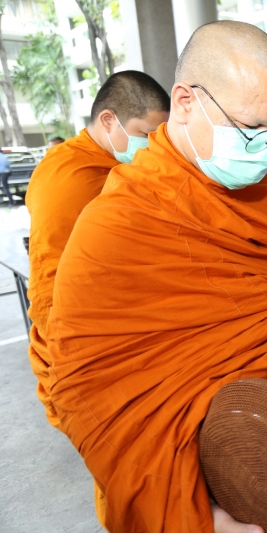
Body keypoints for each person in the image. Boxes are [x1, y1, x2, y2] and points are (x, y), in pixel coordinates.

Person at [47, 21, 267, 533]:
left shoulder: (265, 196)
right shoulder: (116, 225)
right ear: (185, 102)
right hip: (213, 483)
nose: (265, 148)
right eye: (250, 129)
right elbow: (86, 391)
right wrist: (200, 519)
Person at [26, 70, 169, 432]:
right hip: (81, 332)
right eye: (143, 135)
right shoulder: (73, 177)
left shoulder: (114, 165)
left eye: (159, 137)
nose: (151, 146)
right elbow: (64, 279)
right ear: (108, 120)